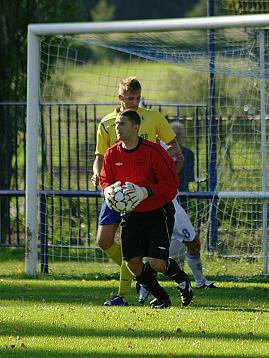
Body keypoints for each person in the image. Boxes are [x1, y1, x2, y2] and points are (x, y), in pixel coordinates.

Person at [92, 76, 180, 306]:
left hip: (147, 193)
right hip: (117, 192)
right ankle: (140, 275)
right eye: (130, 98)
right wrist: (100, 179)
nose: (134, 102)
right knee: (104, 241)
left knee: (147, 254)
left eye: (138, 98)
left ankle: (124, 293)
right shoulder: (108, 122)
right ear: (120, 97)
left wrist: (162, 165)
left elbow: (173, 148)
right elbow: (101, 157)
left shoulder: (152, 117)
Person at [99, 109, 193, 308]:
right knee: (133, 264)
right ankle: (162, 297)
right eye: (116, 124)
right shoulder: (111, 154)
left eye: (122, 124)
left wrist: (145, 192)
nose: (117, 128)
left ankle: (183, 281)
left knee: (156, 263)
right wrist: (107, 190)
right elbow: (105, 179)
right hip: (131, 214)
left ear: (135, 127)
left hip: (158, 212)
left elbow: (171, 183)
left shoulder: (154, 151)